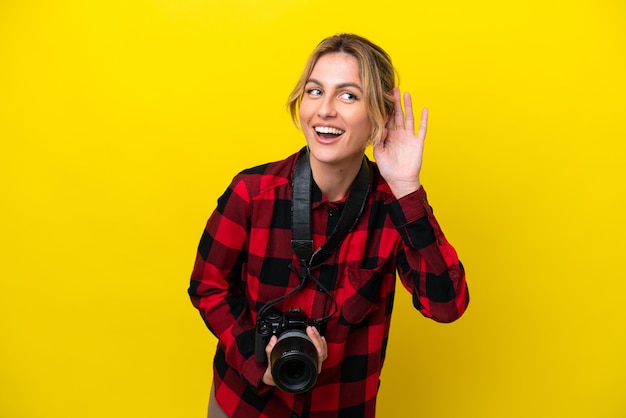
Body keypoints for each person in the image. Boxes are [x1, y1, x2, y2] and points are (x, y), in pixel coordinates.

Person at [188, 33, 469, 418]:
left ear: (379, 114)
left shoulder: (394, 207)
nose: (325, 110)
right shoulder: (251, 193)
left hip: (341, 406)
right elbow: (207, 286)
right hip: (245, 404)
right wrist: (259, 365)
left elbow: (446, 305)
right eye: (315, 91)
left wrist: (407, 189)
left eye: (348, 95)